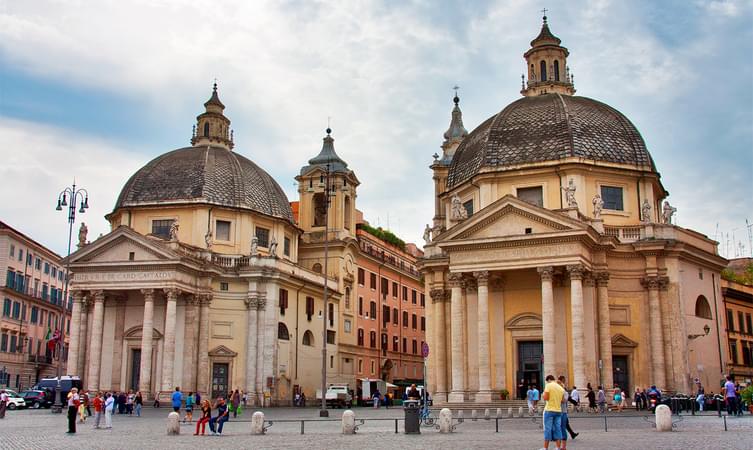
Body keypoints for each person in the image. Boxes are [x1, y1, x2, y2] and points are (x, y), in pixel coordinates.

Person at [541, 375, 565, 450]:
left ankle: (545, 447)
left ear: (548, 380)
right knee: (558, 429)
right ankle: (558, 447)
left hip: (549, 410)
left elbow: (546, 398)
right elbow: (563, 400)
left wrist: (543, 395)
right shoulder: (561, 388)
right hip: (558, 410)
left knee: (548, 429)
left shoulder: (548, 385)